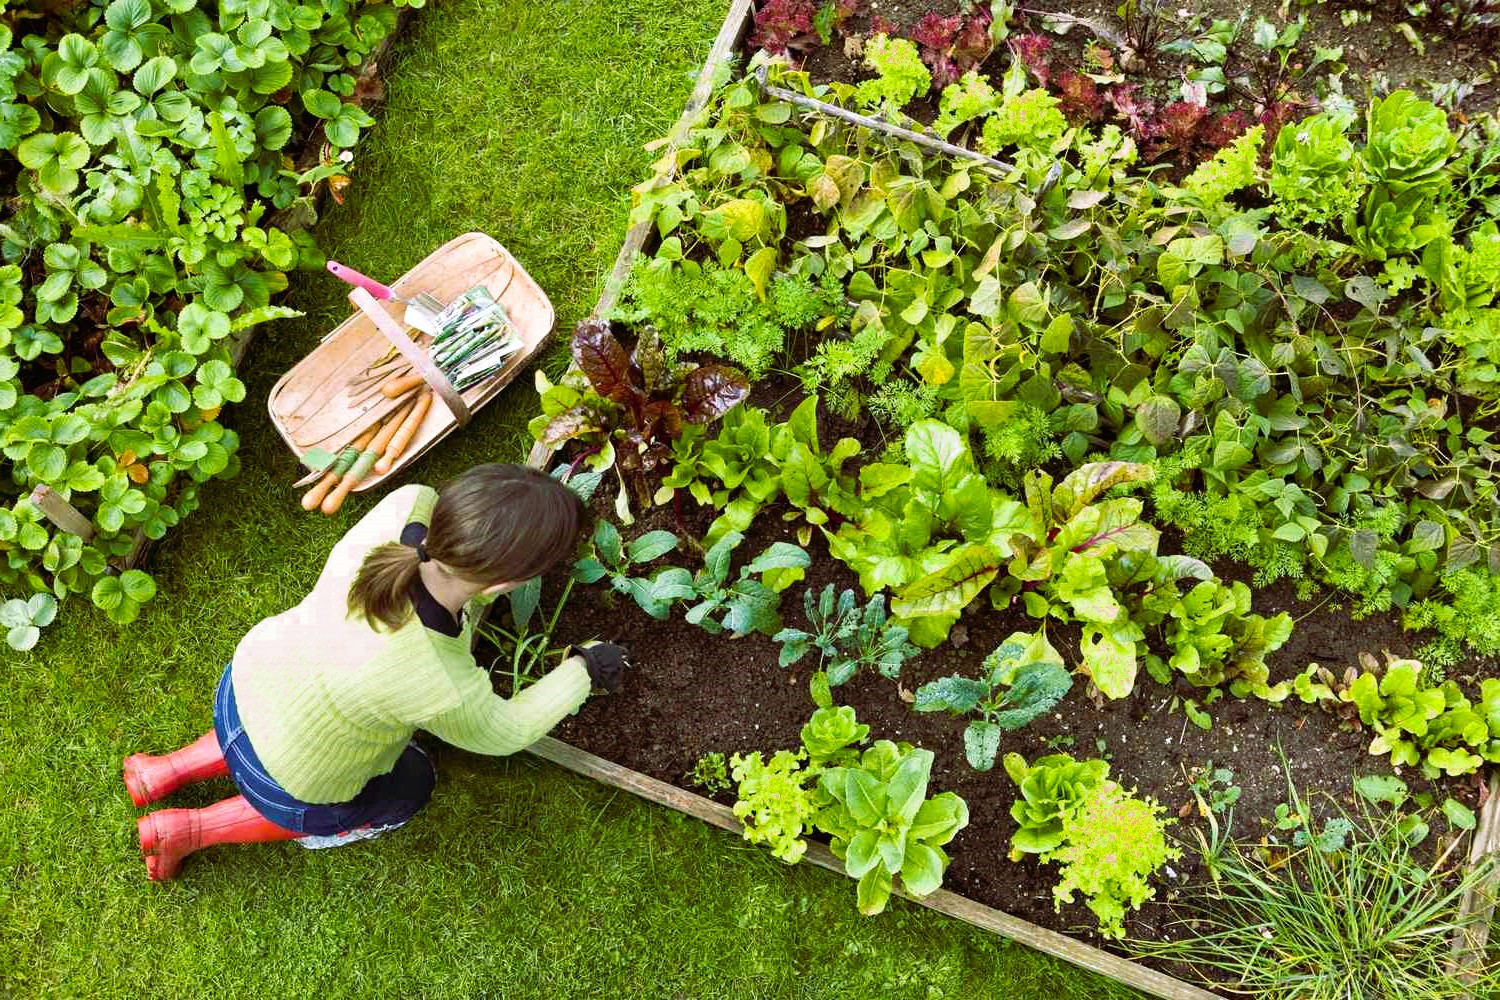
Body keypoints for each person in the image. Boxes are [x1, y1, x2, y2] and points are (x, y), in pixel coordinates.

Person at [123, 464, 626, 880]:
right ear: (505, 584)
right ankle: (189, 830)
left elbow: (430, 499)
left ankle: (163, 771)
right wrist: (585, 668)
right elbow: (506, 730)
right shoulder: (439, 680)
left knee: (282, 720)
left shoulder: (403, 509)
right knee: (412, 784)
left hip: (245, 685)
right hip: (291, 780)